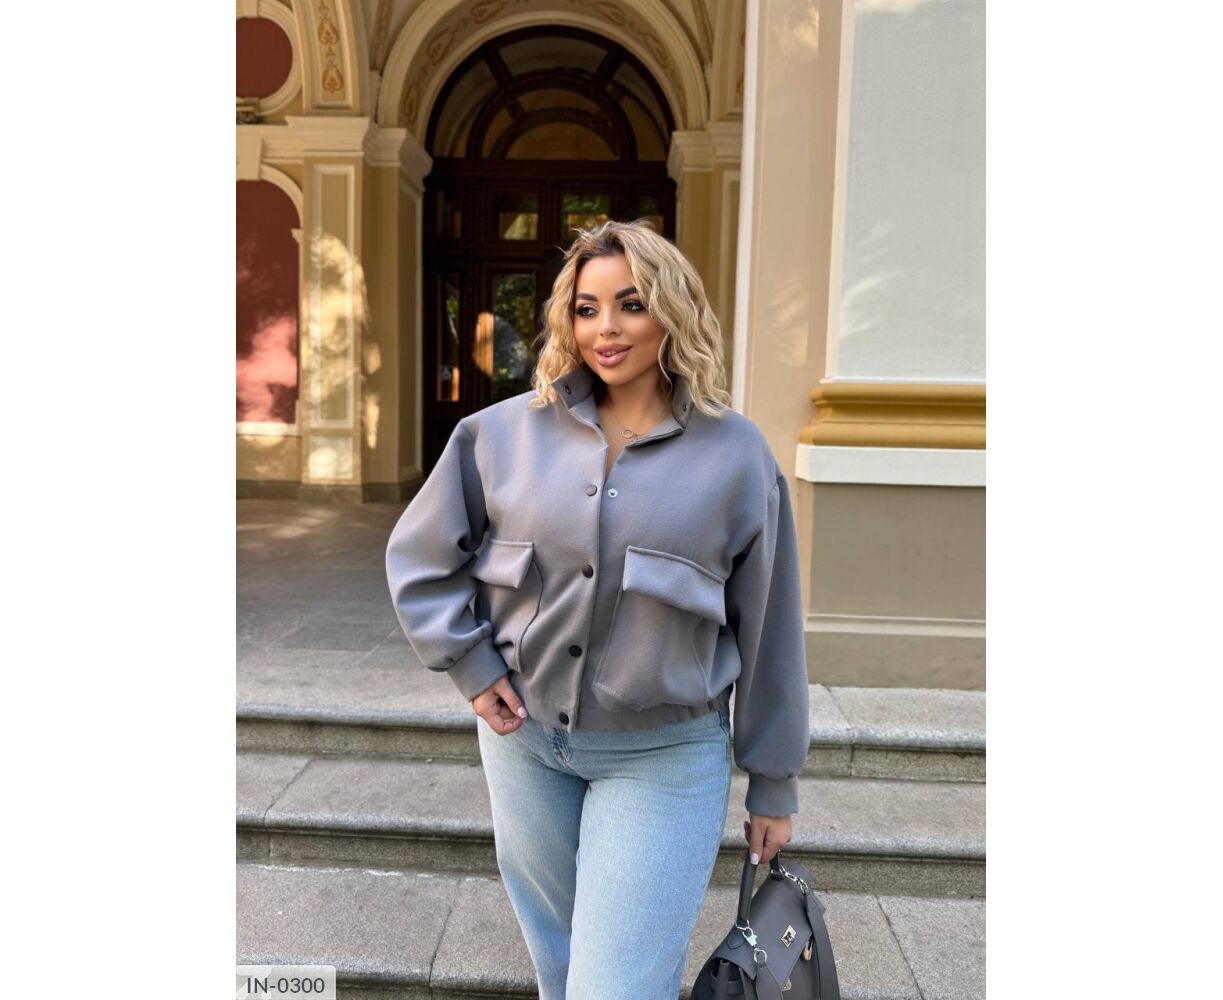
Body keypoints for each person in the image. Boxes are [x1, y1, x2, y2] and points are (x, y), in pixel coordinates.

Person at [385, 220, 811, 999]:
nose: (604, 328)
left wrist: (772, 782)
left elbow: (770, 629)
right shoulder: (501, 434)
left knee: (614, 987)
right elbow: (420, 558)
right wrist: (472, 665)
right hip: (523, 746)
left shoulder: (736, 455)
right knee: (561, 971)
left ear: (673, 311)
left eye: (630, 304)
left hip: (663, 756)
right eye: (586, 309)